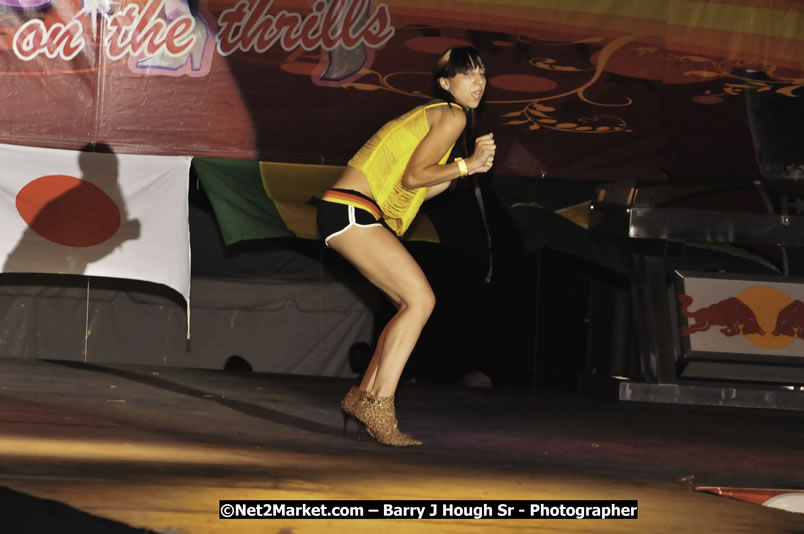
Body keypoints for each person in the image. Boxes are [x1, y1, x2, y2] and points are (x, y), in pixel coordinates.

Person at [317, 46, 496, 446]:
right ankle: (378, 404)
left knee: (409, 304)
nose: (479, 82)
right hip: (352, 210)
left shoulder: (437, 118)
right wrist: (468, 164)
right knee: (420, 301)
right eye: (468, 74)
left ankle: (364, 394)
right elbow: (416, 176)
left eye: (483, 74)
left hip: (349, 211)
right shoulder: (452, 115)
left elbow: (411, 185)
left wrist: (458, 172)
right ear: (446, 84)